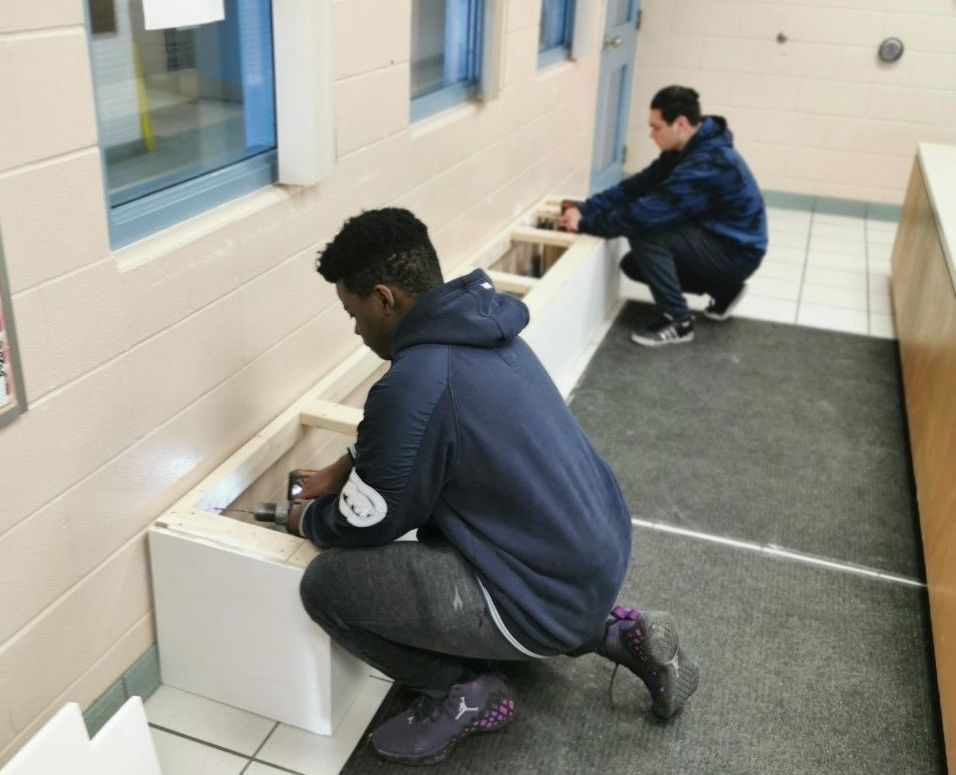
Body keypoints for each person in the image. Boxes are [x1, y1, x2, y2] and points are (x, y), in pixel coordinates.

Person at [281, 208, 699, 766]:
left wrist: (305, 519)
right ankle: (617, 632)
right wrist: (349, 461)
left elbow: (368, 521)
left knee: (327, 585)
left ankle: (462, 692)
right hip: (595, 553)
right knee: (472, 528)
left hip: (544, 593)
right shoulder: (481, 327)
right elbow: (433, 429)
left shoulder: (415, 380)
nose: (355, 330)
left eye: (353, 314)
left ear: (384, 299)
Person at [560, 85, 767, 348]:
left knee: (647, 232)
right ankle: (724, 288)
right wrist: (588, 208)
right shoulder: (688, 148)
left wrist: (586, 224)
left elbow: (643, 216)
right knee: (634, 265)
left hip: (737, 252)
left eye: (656, 127)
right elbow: (637, 186)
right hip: (721, 240)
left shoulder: (707, 162)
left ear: (680, 124)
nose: (651, 134)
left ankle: (679, 321)